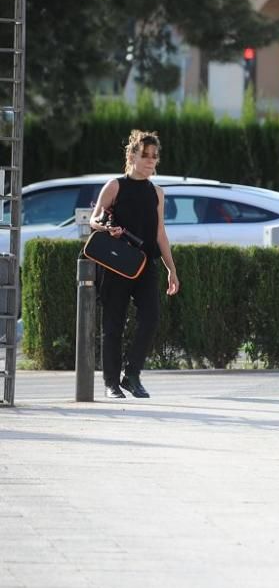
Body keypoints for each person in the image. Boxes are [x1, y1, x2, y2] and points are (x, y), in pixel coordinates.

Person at [90, 131, 180, 399]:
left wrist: (171, 269)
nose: (151, 161)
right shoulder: (115, 186)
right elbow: (94, 220)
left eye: (155, 157)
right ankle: (110, 384)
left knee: (150, 318)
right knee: (113, 324)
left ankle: (131, 375)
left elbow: (160, 232)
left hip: (145, 264)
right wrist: (107, 227)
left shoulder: (157, 192)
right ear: (131, 156)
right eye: (145, 156)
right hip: (117, 263)